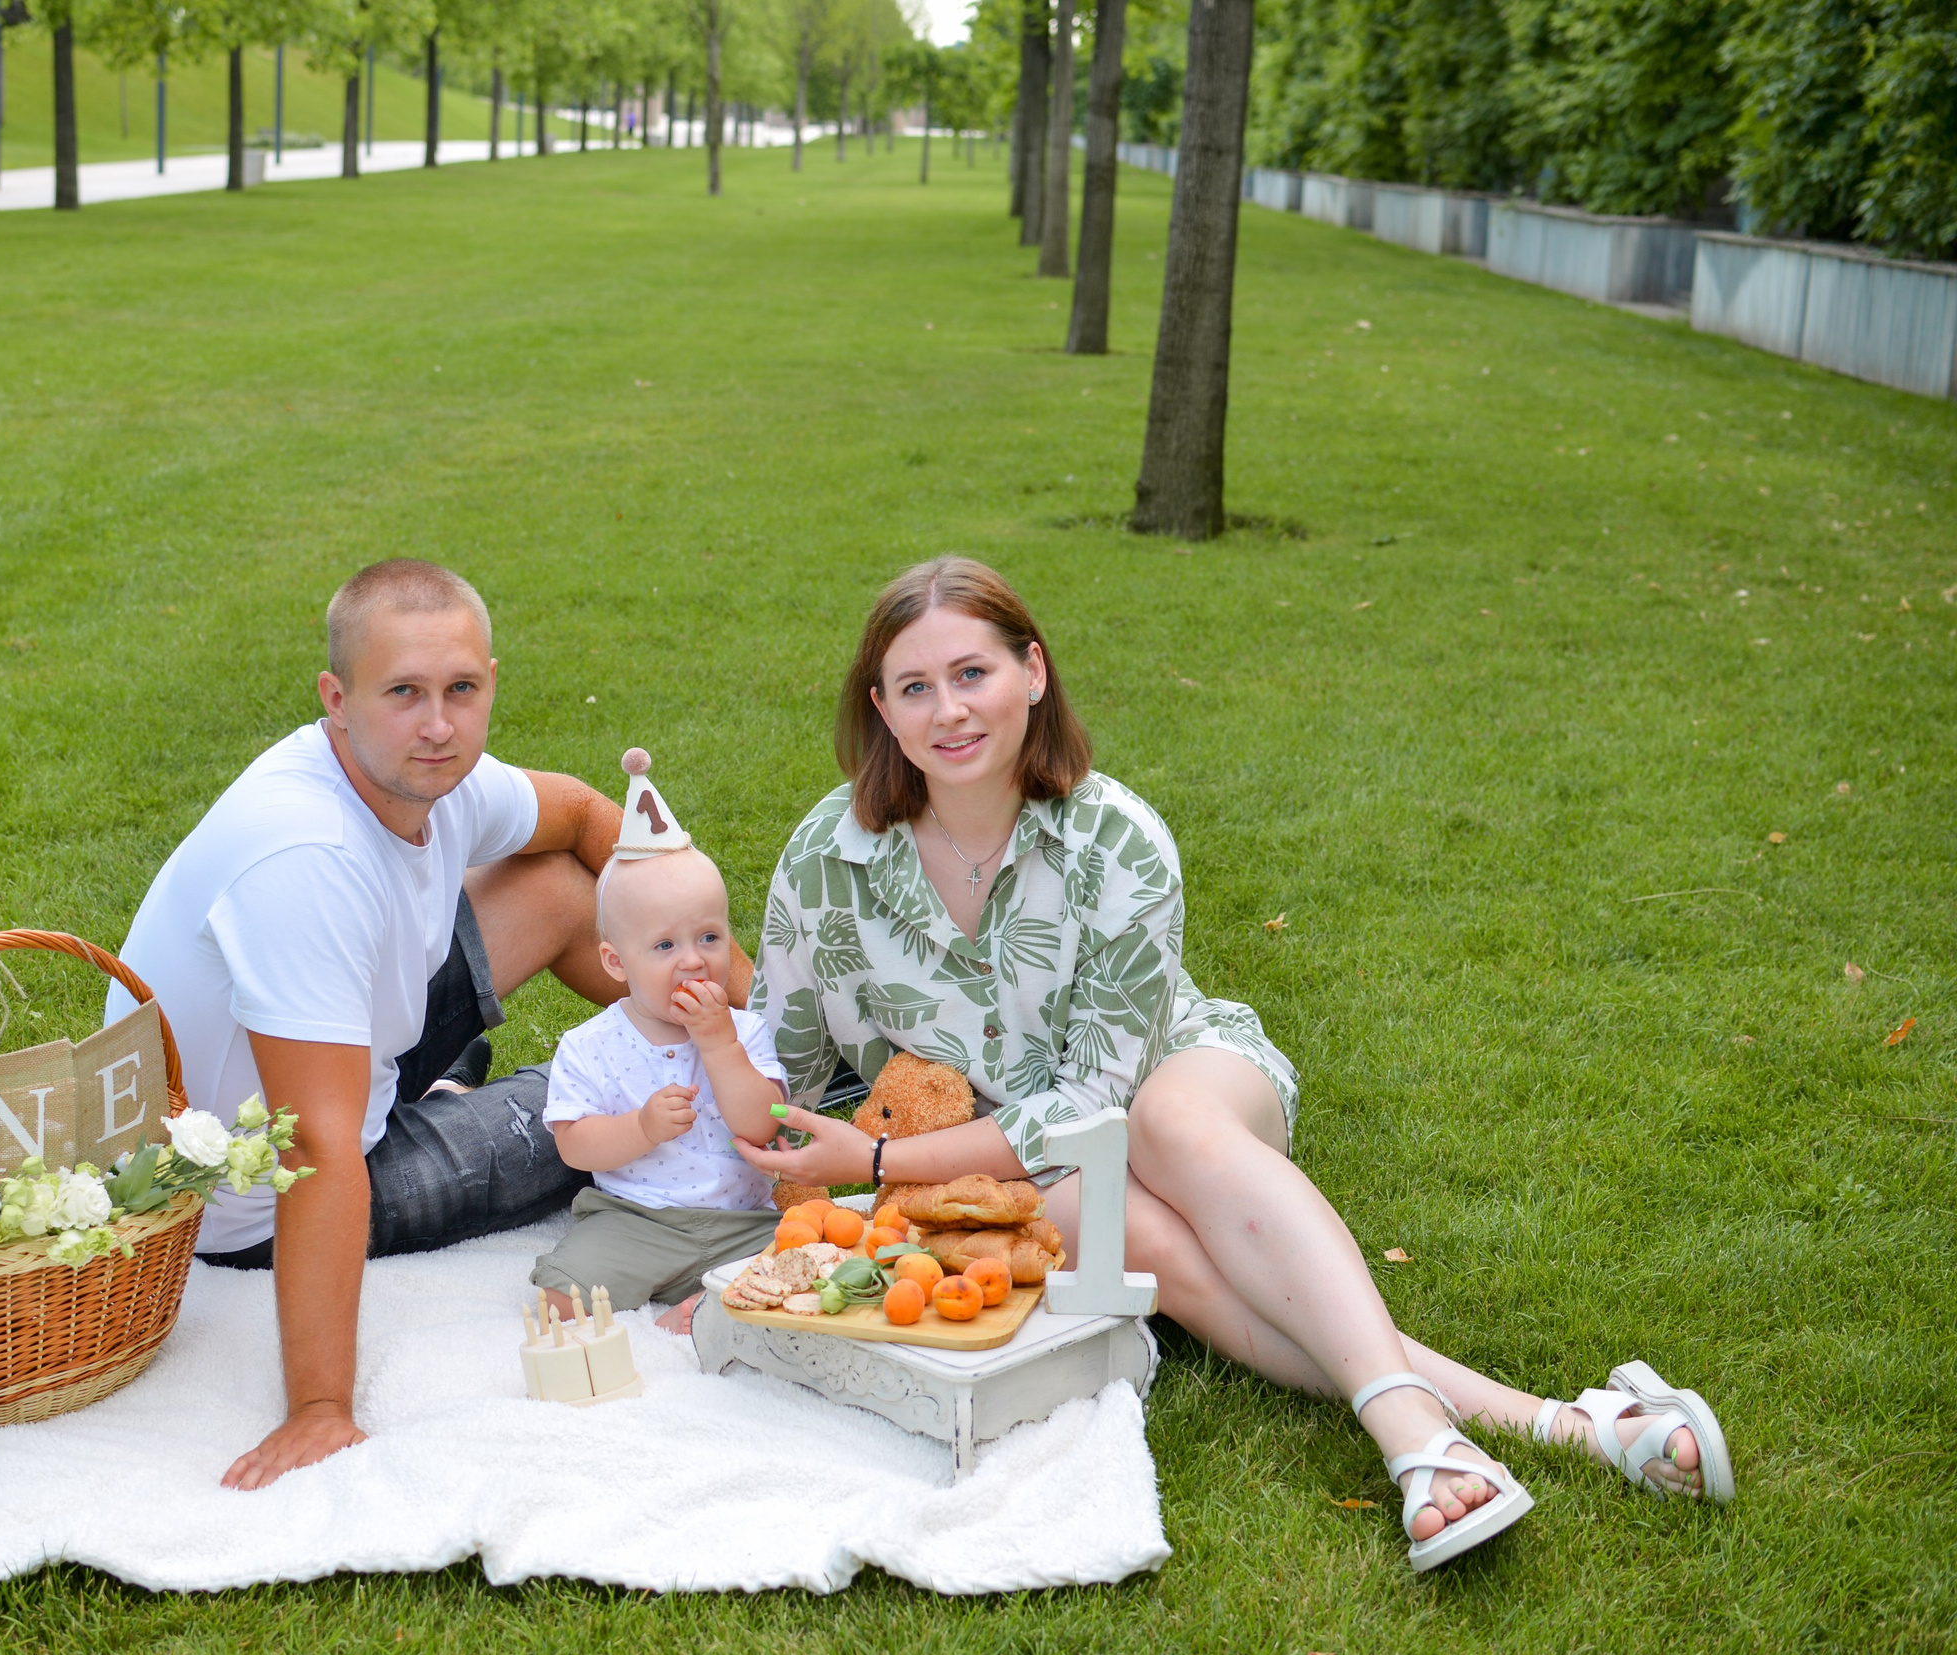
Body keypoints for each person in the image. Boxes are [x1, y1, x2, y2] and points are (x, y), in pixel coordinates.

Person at [738, 556, 1734, 1572]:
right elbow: (790, 1067)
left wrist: (873, 1169)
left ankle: (1411, 1440)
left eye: (972, 673)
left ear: (1032, 673)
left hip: (1181, 1074)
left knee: (1164, 1127)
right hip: (1024, 1163)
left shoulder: (1116, 839)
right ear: (881, 710)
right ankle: (1573, 1425)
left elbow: (1094, 1097)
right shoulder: (827, 858)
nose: (947, 710)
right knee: (1095, 1213)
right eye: (914, 687)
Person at [109, 559, 753, 1491]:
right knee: (593, 1110)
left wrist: (751, 1022)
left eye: (459, 689)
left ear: (490, 681)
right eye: (403, 692)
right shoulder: (307, 855)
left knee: (568, 891)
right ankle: (468, 1095)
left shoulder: (434, 775)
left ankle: (777, 1070)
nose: (438, 725)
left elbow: (578, 813)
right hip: (249, 1191)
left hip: (343, 1046)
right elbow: (317, 1150)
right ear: (337, 698)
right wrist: (321, 1411)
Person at [530, 753, 788, 1334]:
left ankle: (703, 1305)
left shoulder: (743, 1031)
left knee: (802, 1262)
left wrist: (719, 1044)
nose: (694, 959)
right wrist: (640, 1128)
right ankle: (699, 1304)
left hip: (742, 1222)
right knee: (559, 1302)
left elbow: (762, 1125)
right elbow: (576, 1146)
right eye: (664, 947)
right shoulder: (590, 1044)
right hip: (633, 1220)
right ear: (616, 962)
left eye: (708, 936)